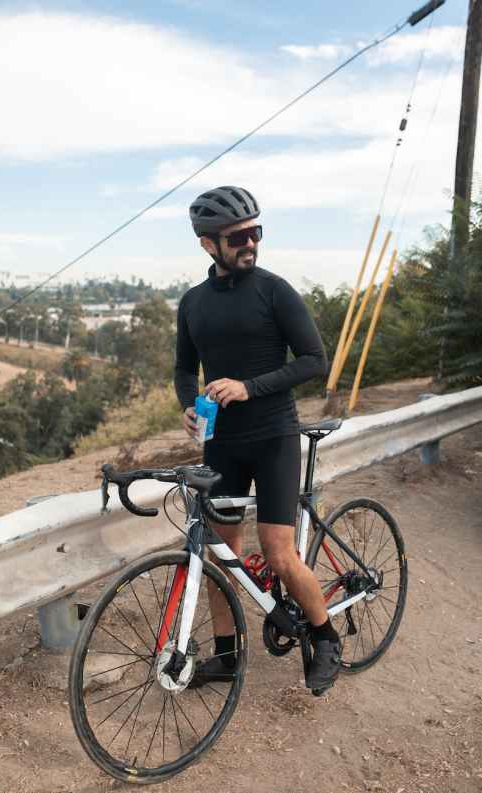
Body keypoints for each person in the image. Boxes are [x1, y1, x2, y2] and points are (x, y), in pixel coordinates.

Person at [174, 185, 341, 692]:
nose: (250, 243)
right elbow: (185, 368)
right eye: (238, 236)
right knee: (222, 556)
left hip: (273, 437)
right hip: (222, 445)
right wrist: (186, 404)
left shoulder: (274, 290)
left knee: (278, 553)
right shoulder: (193, 303)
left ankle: (325, 635)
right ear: (208, 245)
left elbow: (315, 361)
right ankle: (226, 657)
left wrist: (248, 388)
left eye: (255, 232)